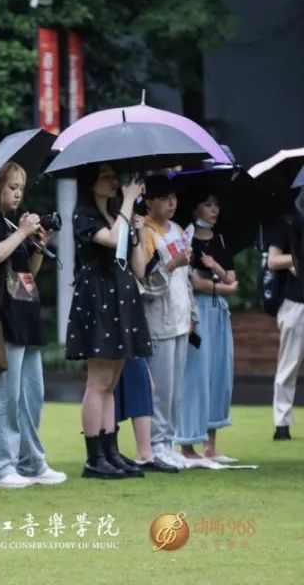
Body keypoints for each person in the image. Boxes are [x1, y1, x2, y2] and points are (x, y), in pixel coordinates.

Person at [0, 162, 66, 488]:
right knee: (5, 398)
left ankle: (30, 462)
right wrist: (22, 233)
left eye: (21, 188)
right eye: (12, 187)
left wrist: (39, 244)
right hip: (2, 319)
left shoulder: (10, 223)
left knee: (30, 397)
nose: (17, 194)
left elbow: (27, 274)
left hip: (25, 317)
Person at [65, 163, 151, 479]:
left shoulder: (117, 214)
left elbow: (139, 267)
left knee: (112, 383)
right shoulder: (84, 216)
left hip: (120, 295)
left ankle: (110, 451)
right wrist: (128, 201)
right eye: (106, 176)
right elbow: (114, 240)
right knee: (98, 381)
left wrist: (139, 231)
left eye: (114, 176)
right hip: (98, 298)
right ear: (90, 183)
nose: (114, 181)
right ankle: (94, 457)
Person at [134, 175, 194, 471]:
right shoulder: (145, 233)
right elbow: (145, 282)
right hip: (158, 320)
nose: (172, 203)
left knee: (176, 389)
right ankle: (155, 444)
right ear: (149, 202)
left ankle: (168, 442)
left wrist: (193, 314)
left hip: (181, 318)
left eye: (174, 197)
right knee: (161, 388)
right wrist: (172, 264)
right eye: (164, 198)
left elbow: (186, 278)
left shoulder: (179, 230)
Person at [178, 191, 237, 464]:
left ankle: (210, 446)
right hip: (197, 312)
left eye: (216, 205)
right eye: (207, 204)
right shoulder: (186, 240)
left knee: (219, 374)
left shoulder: (221, 239)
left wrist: (217, 273)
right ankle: (187, 446)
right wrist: (222, 285)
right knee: (196, 376)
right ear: (195, 211)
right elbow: (195, 283)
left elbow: (233, 282)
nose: (214, 210)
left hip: (219, 313)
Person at [269, 212, 303, 440]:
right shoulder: (288, 219)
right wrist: (297, 259)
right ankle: (282, 423)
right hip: (295, 303)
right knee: (289, 365)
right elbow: (273, 261)